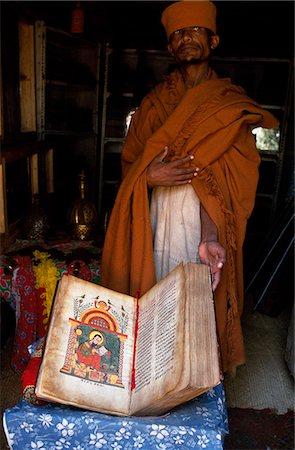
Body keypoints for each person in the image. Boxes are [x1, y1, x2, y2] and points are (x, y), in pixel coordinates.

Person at [101, 0, 278, 374]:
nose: (186, 38)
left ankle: (194, 380)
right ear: (169, 47)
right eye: (178, 34)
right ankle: (151, 376)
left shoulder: (229, 107)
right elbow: (130, 165)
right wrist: (151, 176)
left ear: (213, 40)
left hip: (204, 223)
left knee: (199, 302)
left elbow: (234, 182)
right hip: (156, 217)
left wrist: (210, 235)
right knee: (153, 297)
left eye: (195, 30)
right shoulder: (153, 106)